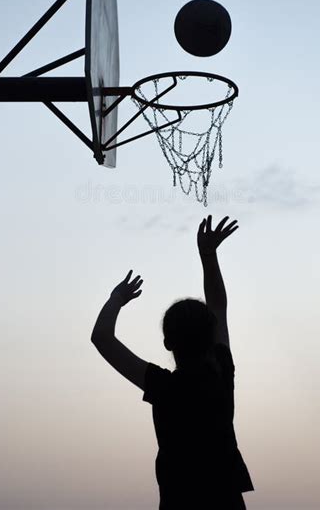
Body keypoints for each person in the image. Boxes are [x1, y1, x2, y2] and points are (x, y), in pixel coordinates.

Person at [91, 215, 254, 510]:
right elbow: (218, 304)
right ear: (210, 336)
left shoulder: (164, 387)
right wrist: (208, 255)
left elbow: (102, 338)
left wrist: (116, 298)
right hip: (227, 501)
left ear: (168, 342)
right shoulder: (220, 374)